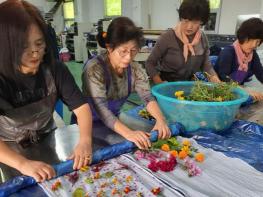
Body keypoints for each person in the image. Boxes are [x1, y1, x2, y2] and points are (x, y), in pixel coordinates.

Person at [0, 0, 93, 183]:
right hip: (10, 147)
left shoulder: (55, 70)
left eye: (39, 43)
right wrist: (22, 164)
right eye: (24, 47)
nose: (35, 53)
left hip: (47, 136)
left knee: (53, 181)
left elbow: (82, 109)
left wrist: (85, 141)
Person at [82, 17, 171, 150]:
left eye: (133, 50)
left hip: (115, 122)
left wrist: (160, 120)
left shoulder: (135, 69)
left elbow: (147, 97)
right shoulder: (94, 69)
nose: (129, 57)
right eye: (123, 51)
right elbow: (101, 109)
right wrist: (129, 133)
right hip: (88, 126)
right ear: (109, 47)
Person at [145, 0, 220, 84]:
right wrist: (159, 82)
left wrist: (214, 78)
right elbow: (150, 63)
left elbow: (206, 66)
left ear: (202, 21)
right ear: (181, 18)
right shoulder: (168, 37)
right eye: (186, 20)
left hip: (188, 84)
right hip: (167, 83)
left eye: (195, 22)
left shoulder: (202, 38)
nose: (189, 27)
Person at [214, 18, 263, 100]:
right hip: (219, 92)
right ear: (243, 37)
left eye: (258, 42)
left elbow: (261, 74)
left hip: (237, 92)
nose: (254, 45)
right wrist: (245, 91)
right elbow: (224, 79)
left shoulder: (253, 55)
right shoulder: (228, 52)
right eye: (251, 40)